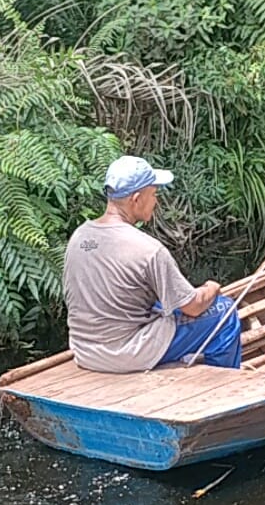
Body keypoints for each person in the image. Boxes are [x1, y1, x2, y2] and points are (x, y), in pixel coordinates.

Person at [62, 155, 242, 373]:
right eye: (154, 194)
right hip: (125, 354)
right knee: (225, 311)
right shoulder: (148, 249)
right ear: (136, 199)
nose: (156, 202)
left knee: (160, 304)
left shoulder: (80, 237)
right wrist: (210, 289)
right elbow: (193, 307)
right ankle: (221, 384)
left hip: (85, 351)